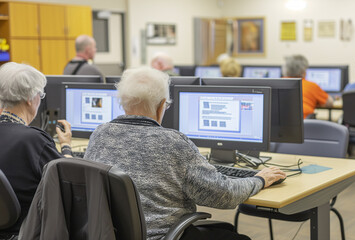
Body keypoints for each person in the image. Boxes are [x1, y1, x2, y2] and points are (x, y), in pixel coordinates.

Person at [84, 66, 286, 240]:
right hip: (167, 235)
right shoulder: (173, 142)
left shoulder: (99, 134)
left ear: (123, 102)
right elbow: (223, 195)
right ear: (162, 105)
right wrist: (259, 180)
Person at [0, 62, 73, 236]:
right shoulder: (34, 140)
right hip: (25, 232)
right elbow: (69, 183)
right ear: (30, 98)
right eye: (40, 94)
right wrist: (66, 148)